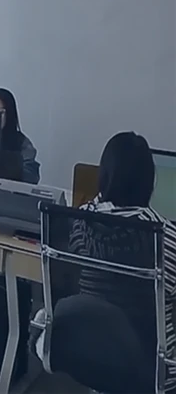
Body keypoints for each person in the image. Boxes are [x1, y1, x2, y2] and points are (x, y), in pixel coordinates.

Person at [76, 132, 175, 392]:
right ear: (149, 182)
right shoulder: (164, 235)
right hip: (152, 366)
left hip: (92, 353)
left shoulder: (79, 222)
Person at [0, 88, 41, 184]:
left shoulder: (22, 143)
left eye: (0, 112)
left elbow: (31, 176)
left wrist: (9, 167)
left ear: (9, 114)